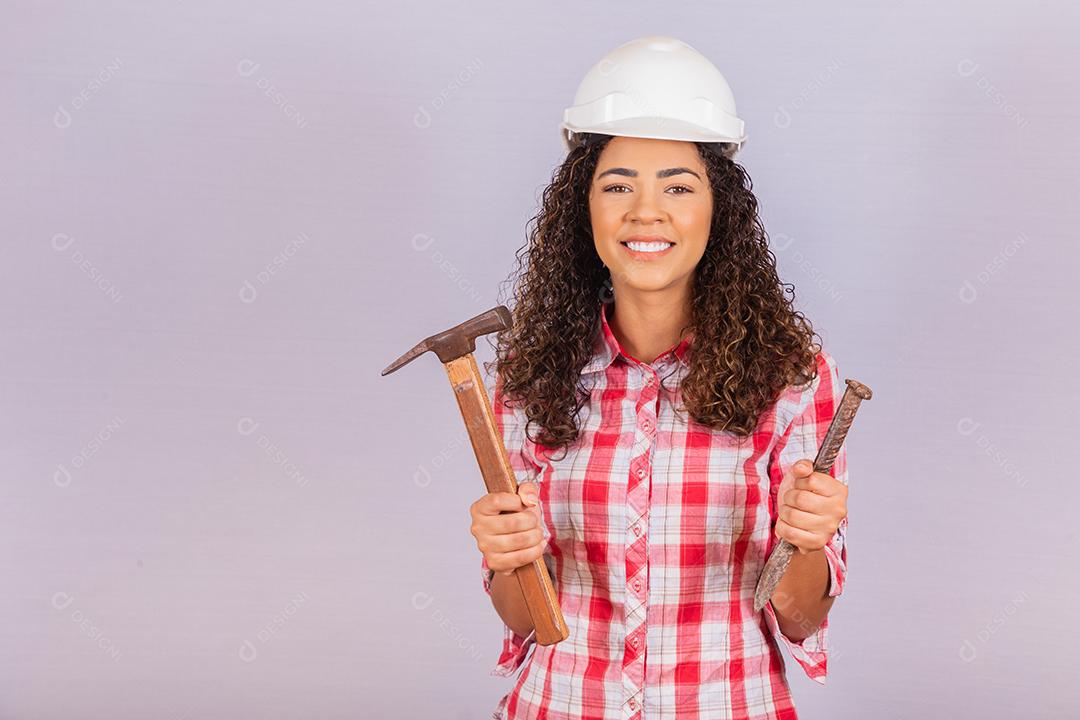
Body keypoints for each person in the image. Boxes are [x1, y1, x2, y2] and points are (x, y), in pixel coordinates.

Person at [468, 36, 850, 720]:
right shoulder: (530, 378)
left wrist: (807, 539)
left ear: (718, 209)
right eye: (618, 186)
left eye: (678, 185)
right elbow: (524, 620)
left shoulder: (792, 378)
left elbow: (798, 617)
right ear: (582, 210)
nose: (646, 211)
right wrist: (509, 558)